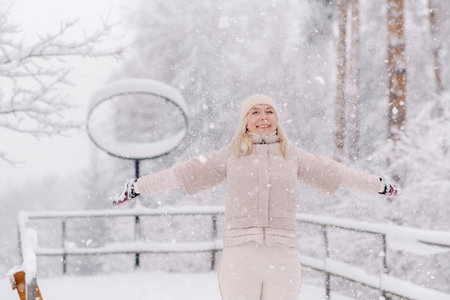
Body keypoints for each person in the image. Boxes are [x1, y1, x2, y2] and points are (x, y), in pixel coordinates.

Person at [112, 94, 398, 299]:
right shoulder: (231, 156)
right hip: (240, 254)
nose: (263, 117)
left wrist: (377, 184)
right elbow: (182, 173)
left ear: (277, 119)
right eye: (255, 112)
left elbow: (337, 173)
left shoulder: (292, 156)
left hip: (282, 254)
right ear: (245, 121)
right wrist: (139, 186)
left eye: (269, 111)